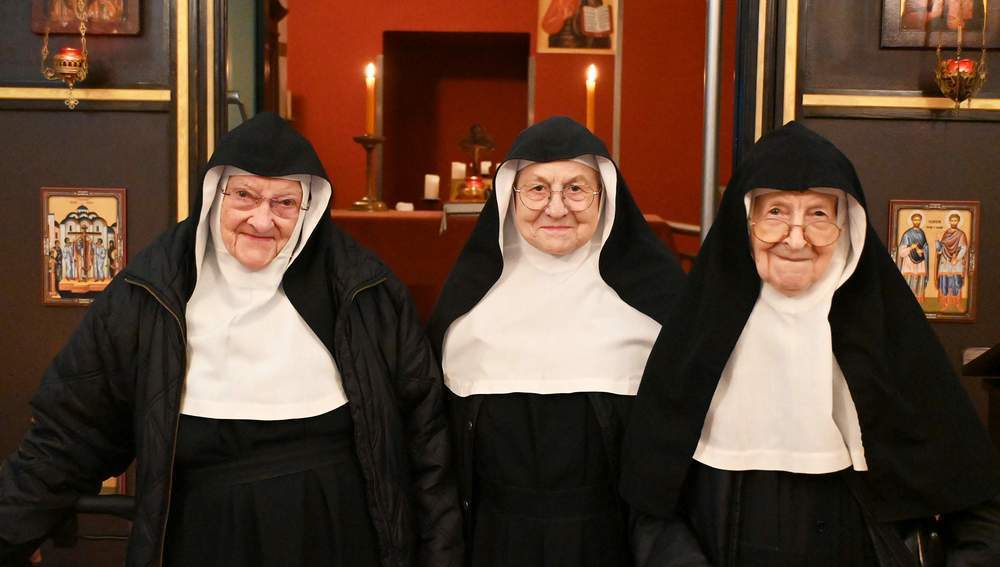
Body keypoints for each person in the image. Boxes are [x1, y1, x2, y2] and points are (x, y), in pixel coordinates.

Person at [0, 112, 462, 567]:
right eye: (244, 196)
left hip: (337, 534)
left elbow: (425, 440)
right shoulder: (149, 293)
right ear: (213, 194)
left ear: (309, 209)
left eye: (284, 203)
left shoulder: (366, 292)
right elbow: (71, 433)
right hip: (203, 536)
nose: (263, 221)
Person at [620, 122, 1000, 566]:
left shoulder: (893, 345)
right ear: (745, 225)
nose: (795, 238)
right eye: (776, 212)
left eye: (818, 215)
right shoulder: (694, 344)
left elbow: (979, 510)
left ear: (847, 227)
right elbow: (649, 502)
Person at [428, 116, 685, 567]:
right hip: (493, 543)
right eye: (538, 188)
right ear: (510, 197)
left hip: (612, 544)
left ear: (605, 198)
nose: (557, 207)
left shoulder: (655, 311)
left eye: (576, 188)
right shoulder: (467, 316)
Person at [936, 212, 969, 312]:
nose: (953, 222)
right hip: (945, 261)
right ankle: (945, 303)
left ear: (958, 221)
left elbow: (964, 248)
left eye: (955, 220)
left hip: (956, 262)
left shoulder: (961, 234)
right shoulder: (946, 233)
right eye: (952, 220)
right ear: (949, 221)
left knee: (956, 282)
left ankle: (957, 303)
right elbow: (940, 250)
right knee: (944, 281)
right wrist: (938, 242)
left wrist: (957, 258)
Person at [897, 212, 929, 303]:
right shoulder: (907, 234)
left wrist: (923, 251)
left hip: (920, 260)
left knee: (919, 279)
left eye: (918, 219)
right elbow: (901, 251)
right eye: (915, 219)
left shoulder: (922, 233)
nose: (917, 221)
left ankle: (918, 301)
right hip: (909, 261)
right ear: (912, 221)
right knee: (909, 279)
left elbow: (925, 246)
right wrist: (911, 247)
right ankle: (907, 300)